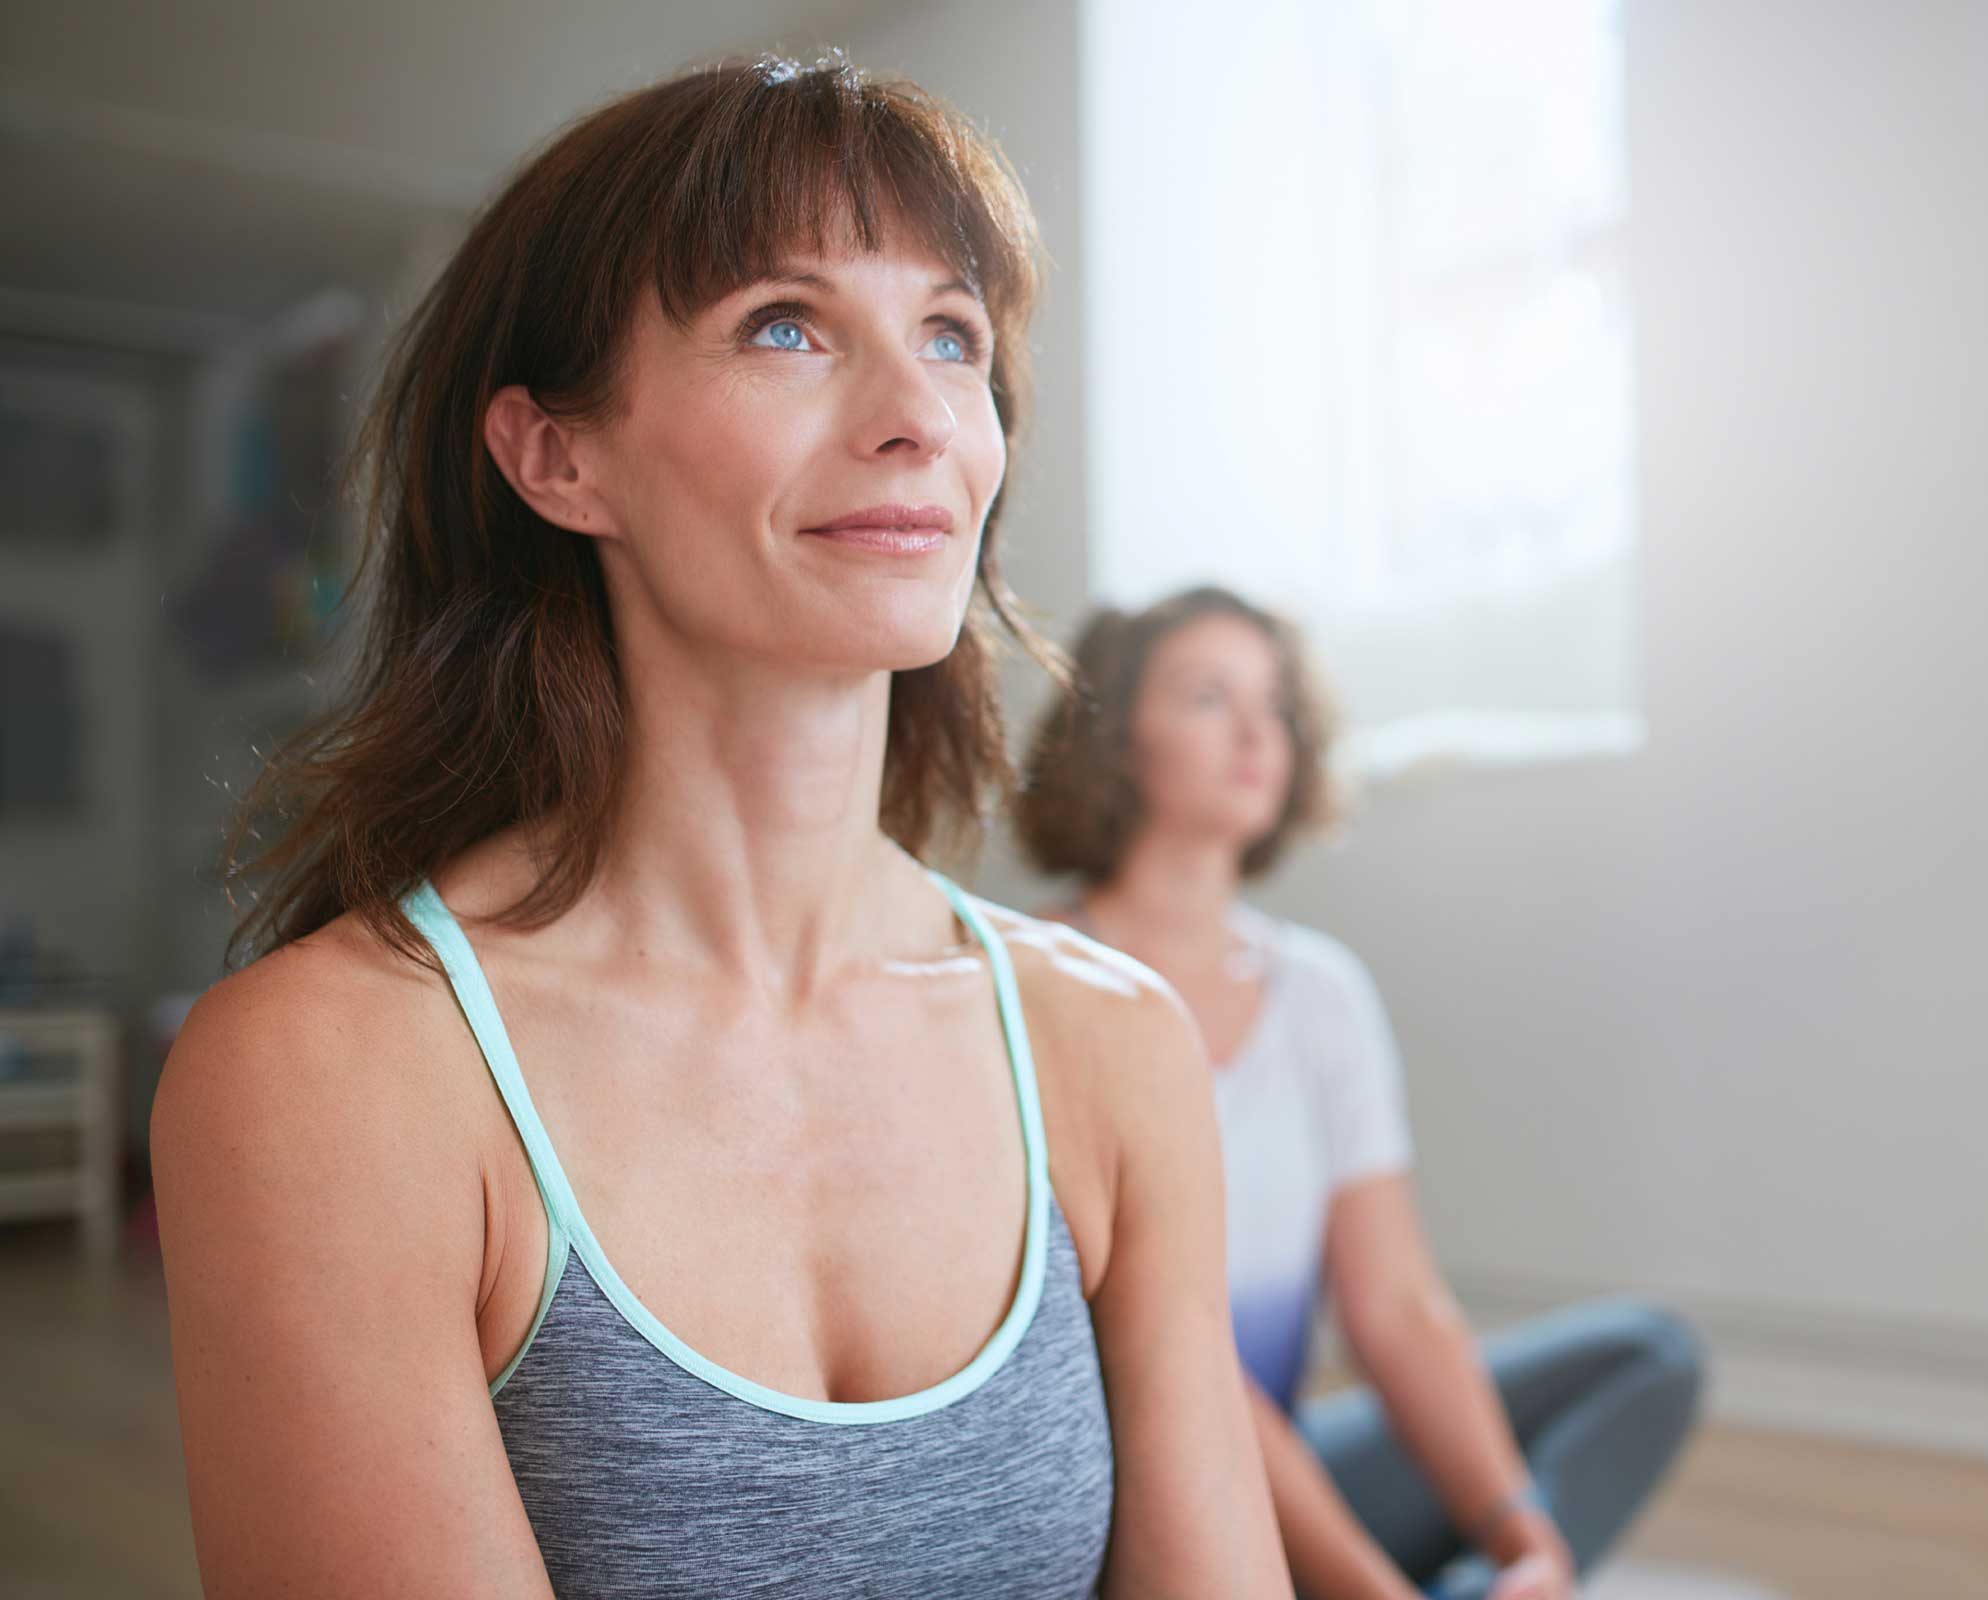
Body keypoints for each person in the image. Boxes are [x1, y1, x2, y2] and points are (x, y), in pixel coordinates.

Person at [151, 56, 1288, 1599]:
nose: (917, 418)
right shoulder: (332, 1073)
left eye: (951, 336)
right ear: (560, 455)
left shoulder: (1110, 1046)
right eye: (786, 326)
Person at [1015, 587, 1704, 1600]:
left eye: (1279, 705)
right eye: (1210, 696)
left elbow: (1396, 1304)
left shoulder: (1320, 993)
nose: (1259, 732)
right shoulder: (1033, 981)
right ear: (1113, 734)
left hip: (1283, 1475)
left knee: (1649, 1355)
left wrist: (1521, 1535)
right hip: (1124, 1505)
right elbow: (1179, 1368)